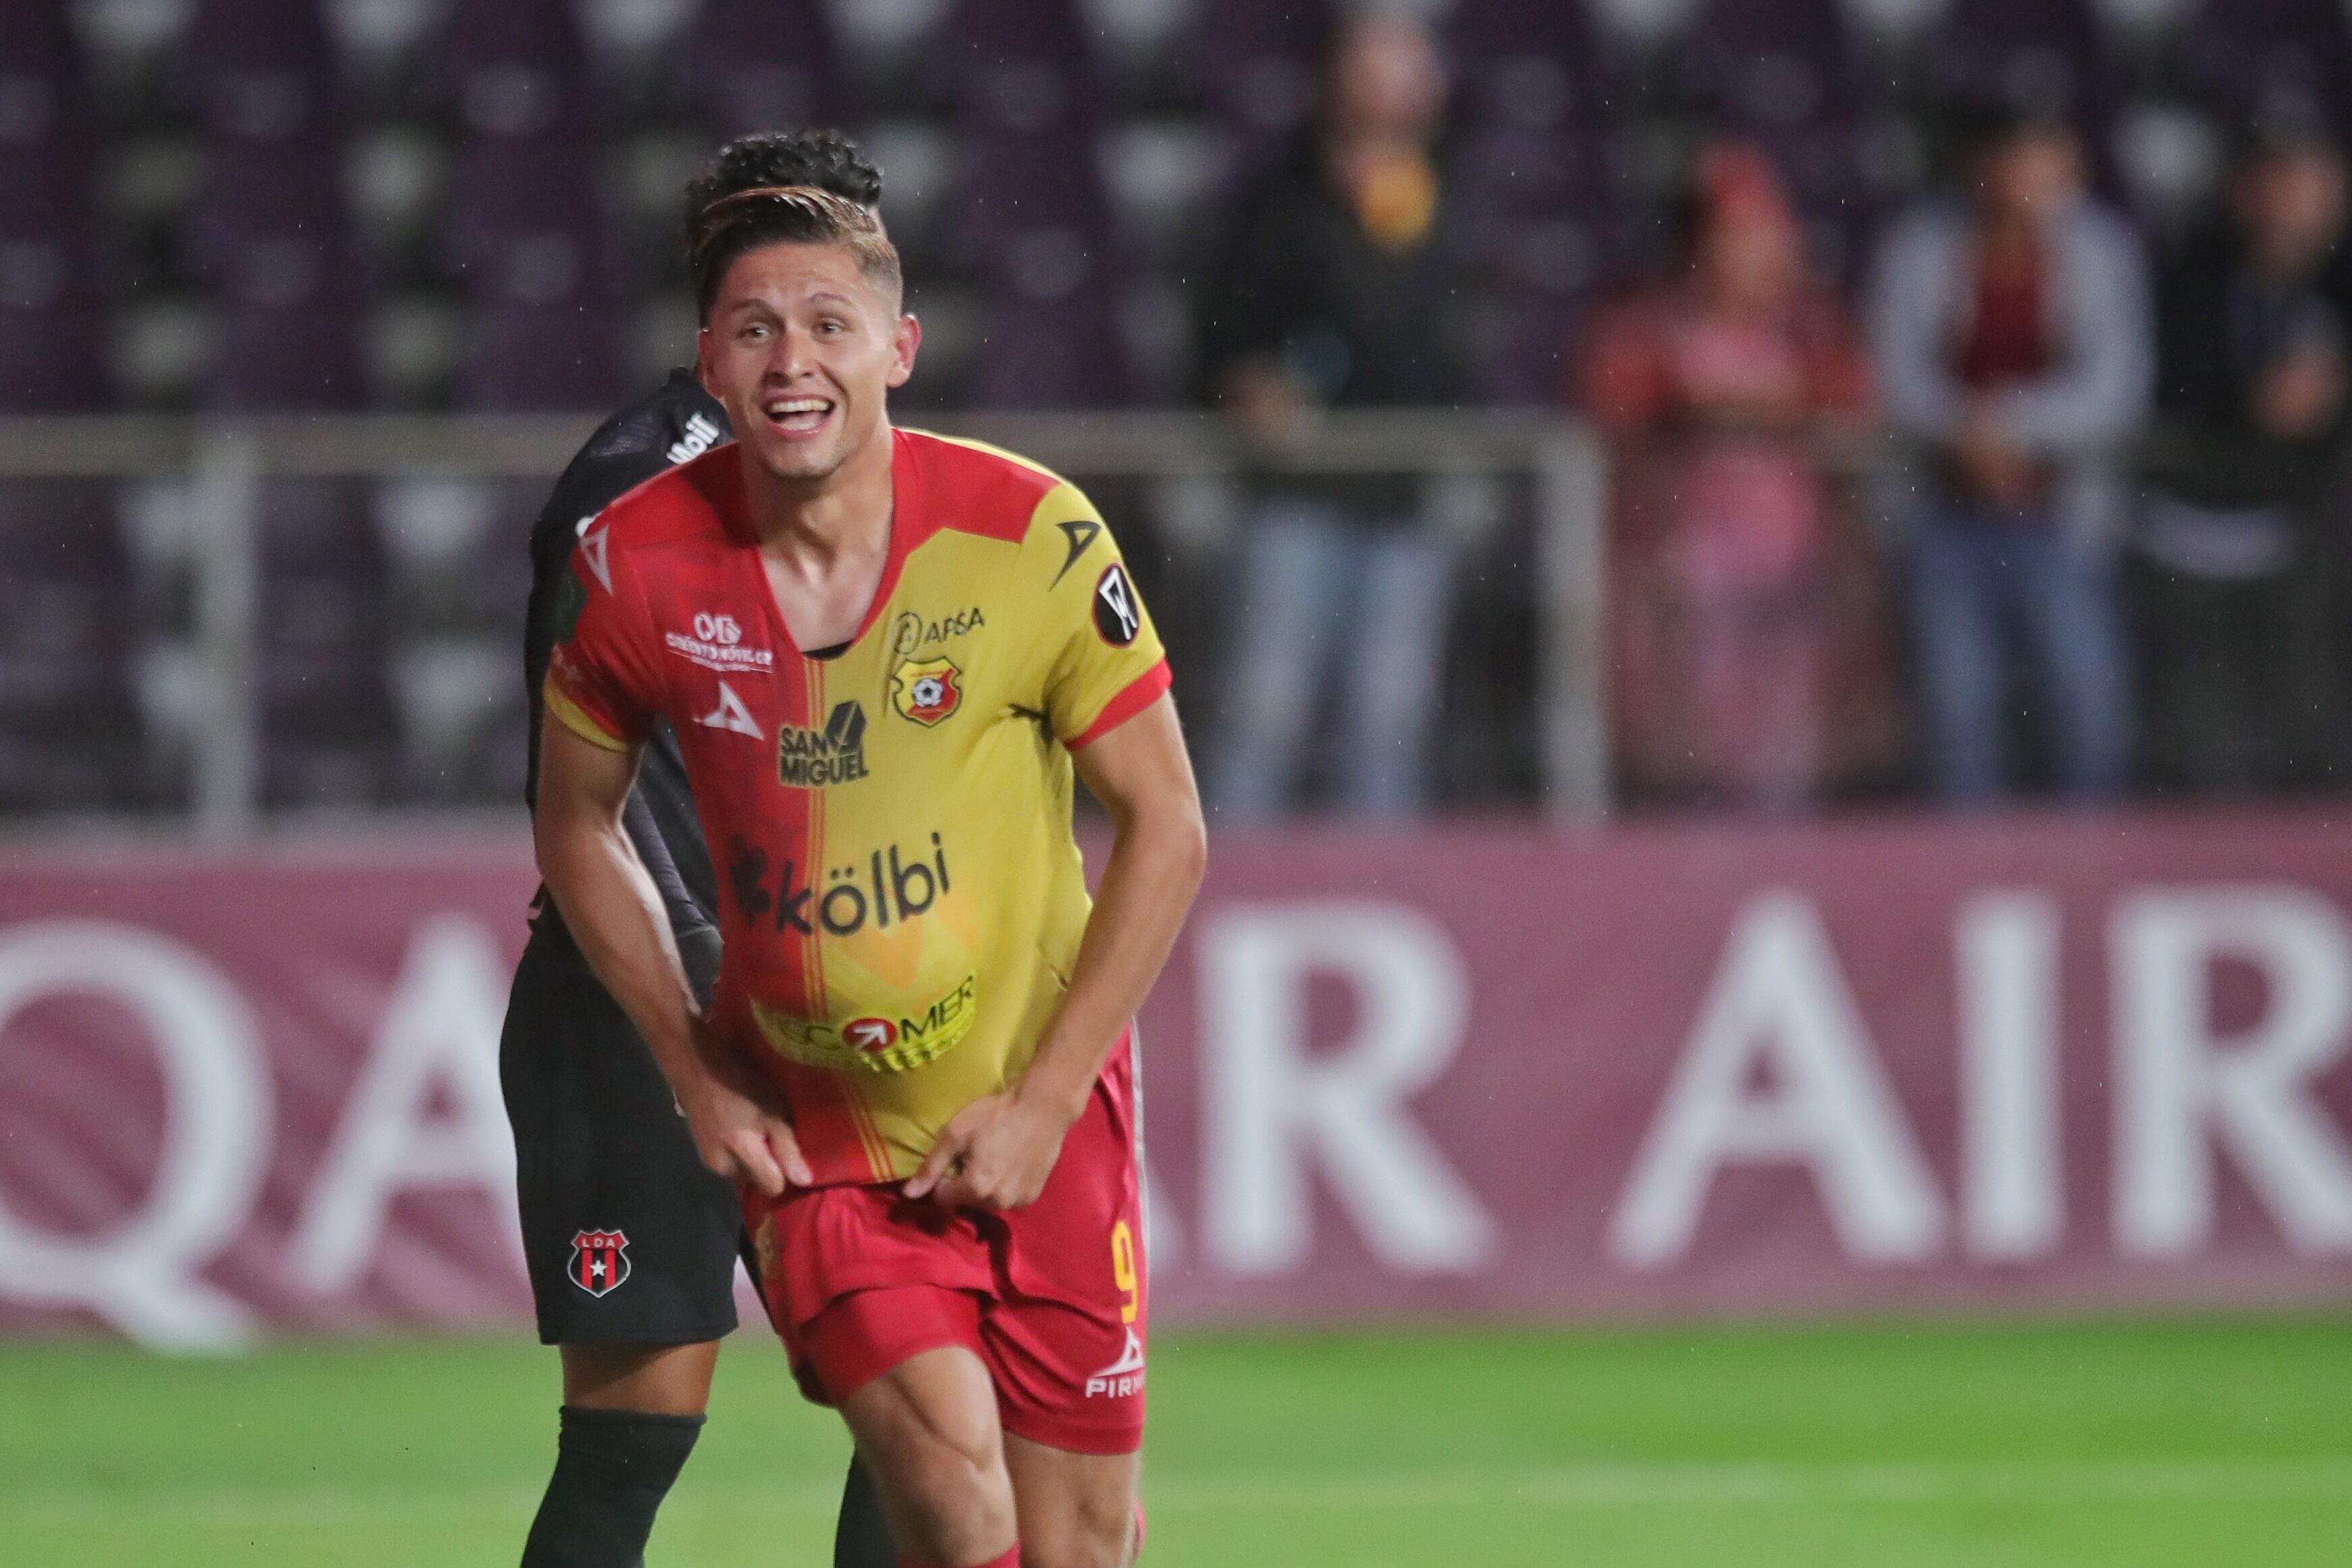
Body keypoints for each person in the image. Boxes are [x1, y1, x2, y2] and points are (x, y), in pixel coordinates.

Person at [532, 173, 1205, 1568]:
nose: (794, 361)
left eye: (829, 324)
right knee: (954, 1498)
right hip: (819, 1136)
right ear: (708, 361)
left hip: (1037, 1115)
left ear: (897, 348)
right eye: (756, 329)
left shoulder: (1032, 535)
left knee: (1074, 1544)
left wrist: (1045, 1098)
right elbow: (573, 822)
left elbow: (1170, 826)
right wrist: (689, 1063)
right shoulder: (630, 559)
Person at [500, 130, 896, 1568]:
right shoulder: (629, 499)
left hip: (836, 1004)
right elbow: (593, 805)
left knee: (920, 1403)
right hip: (644, 1016)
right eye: (764, 296)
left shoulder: (875, 492)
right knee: (632, 1436)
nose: (798, 329)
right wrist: (702, 1025)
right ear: (712, 318)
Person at [1195, 6, 1470, 819]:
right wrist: (1243, 381)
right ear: (1337, 76)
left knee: (1388, 721)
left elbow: (1460, 335)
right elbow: (1219, 324)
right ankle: (1224, 897)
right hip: (1295, 490)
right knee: (1262, 710)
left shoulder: (1451, 195)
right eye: (1377, 64)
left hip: (1405, 494)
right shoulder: (1281, 193)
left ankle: (1384, 887)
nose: (1397, 85)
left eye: (1411, 65)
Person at [1580, 143, 1891, 808]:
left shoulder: (1812, 330)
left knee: (1786, 757)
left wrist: (1787, 412)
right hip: (1682, 588)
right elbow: (1613, 430)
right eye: (1743, 236)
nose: (1765, 253)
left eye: (1771, 236)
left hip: (1793, 584)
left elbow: (1857, 423)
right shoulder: (1647, 329)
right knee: (1688, 765)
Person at [1868, 103, 2154, 803]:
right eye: (2009, 157)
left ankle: (2086, 863)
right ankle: (1967, 866)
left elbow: (2114, 384)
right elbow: (1893, 375)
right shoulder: (1919, 247)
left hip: (2060, 516)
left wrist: (2009, 426)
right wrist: (1964, 432)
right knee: (1957, 707)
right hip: (1945, 512)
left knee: (2086, 697)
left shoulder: (2100, 251)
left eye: (2041, 157)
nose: (2023, 177)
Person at [2133, 116, 2352, 795]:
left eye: (2307, 180)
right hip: (2191, 535)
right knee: (2205, 744)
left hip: (2307, 538)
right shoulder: (2190, 271)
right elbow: (2160, 386)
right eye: (2272, 179)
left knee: (2308, 731)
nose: (2287, 199)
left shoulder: (2337, 282)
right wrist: (2247, 401)